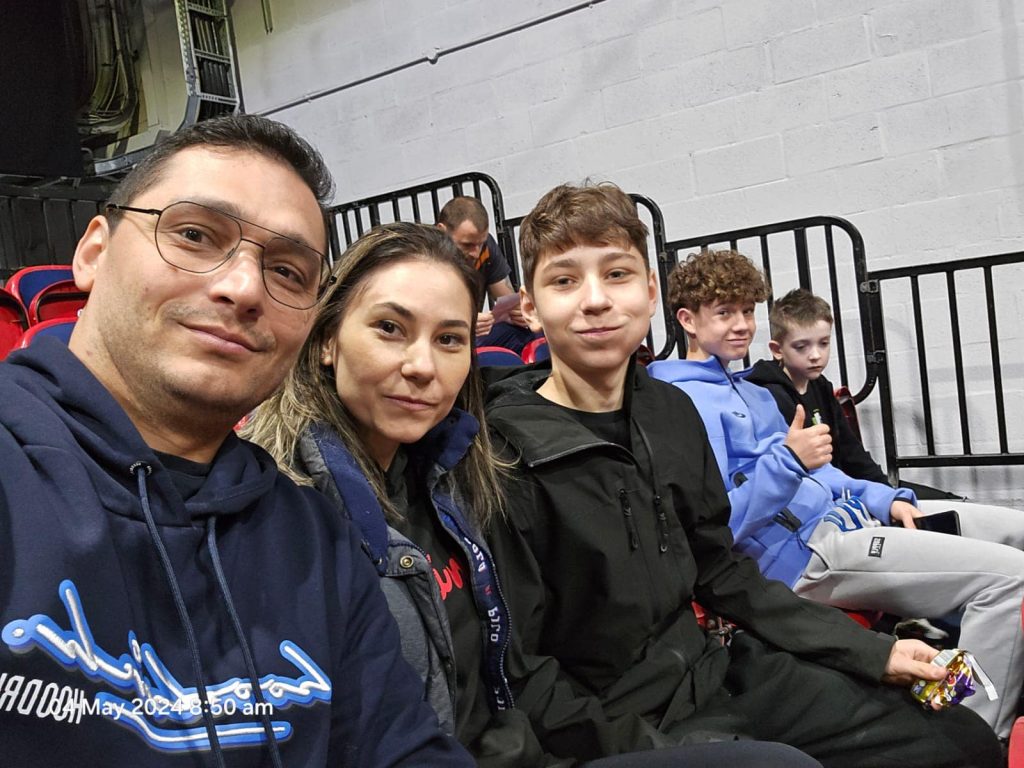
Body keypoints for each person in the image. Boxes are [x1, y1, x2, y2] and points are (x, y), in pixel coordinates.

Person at [245, 221, 823, 768]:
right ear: (327, 339)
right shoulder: (288, 520)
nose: (422, 365)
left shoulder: (455, 474)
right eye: (390, 328)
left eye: (449, 339)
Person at [0, 115, 471, 766]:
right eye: (194, 235)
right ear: (94, 253)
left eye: (288, 272)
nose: (244, 288)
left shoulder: (316, 539)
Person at [483, 181, 1003, 768]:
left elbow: (721, 568)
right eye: (564, 280)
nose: (596, 299)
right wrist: (656, 751)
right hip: (618, 719)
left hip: (713, 670)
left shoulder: (668, 412)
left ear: (649, 292)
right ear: (529, 308)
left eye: (617, 274)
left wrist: (869, 651)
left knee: (961, 741)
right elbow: (520, 669)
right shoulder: (501, 453)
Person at [647, 249, 1024, 739]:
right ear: (687, 320)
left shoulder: (755, 391)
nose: (741, 325)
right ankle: (979, 736)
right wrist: (790, 462)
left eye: (747, 311)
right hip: (807, 555)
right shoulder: (677, 401)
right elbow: (719, 525)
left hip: (848, 518)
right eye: (724, 312)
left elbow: (823, 474)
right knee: (1009, 579)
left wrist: (883, 497)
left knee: (1015, 530)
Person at [746, 287, 962, 500]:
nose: (815, 355)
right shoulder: (768, 394)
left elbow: (852, 452)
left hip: (847, 486)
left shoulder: (820, 385)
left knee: (947, 501)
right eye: (802, 347)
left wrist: (887, 493)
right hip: (819, 498)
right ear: (777, 350)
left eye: (823, 343)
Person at [437, 196, 535, 352]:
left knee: (534, 331)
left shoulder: (486, 247)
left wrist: (519, 312)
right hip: (439, 341)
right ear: (442, 231)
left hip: (472, 335)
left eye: (480, 243)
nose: (476, 253)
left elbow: (507, 299)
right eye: (467, 245)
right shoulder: (423, 259)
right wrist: (461, 324)